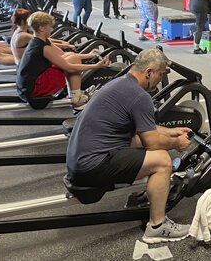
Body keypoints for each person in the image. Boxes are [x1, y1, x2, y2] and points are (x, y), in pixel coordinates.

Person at [66, 49, 194, 243]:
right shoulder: (139, 96)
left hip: (79, 160)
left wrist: (171, 131)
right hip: (92, 166)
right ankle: (158, 226)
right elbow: (152, 143)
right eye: (161, 74)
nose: (161, 79)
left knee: (137, 141)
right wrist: (177, 143)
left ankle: (142, 195)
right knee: (162, 160)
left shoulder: (120, 83)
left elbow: (145, 128)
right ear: (149, 72)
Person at [17, 12, 109, 109]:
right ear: (42, 28)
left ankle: (75, 95)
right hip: (33, 89)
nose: (52, 29)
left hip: (30, 84)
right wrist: (96, 66)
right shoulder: (42, 47)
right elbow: (69, 67)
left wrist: (89, 55)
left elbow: (63, 54)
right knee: (71, 64)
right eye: (50, 27)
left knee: (72, 57)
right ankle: (76, 99)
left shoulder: (40, 41)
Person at [9, 8, 95, 64]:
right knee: (69, 58)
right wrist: (65, 45)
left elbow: (46, 39)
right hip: (24, 64)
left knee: (67, 55)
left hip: (28, 61)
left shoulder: (21, 31)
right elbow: (45, 41)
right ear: (23, 22)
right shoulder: (23, 35)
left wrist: (62, 42)